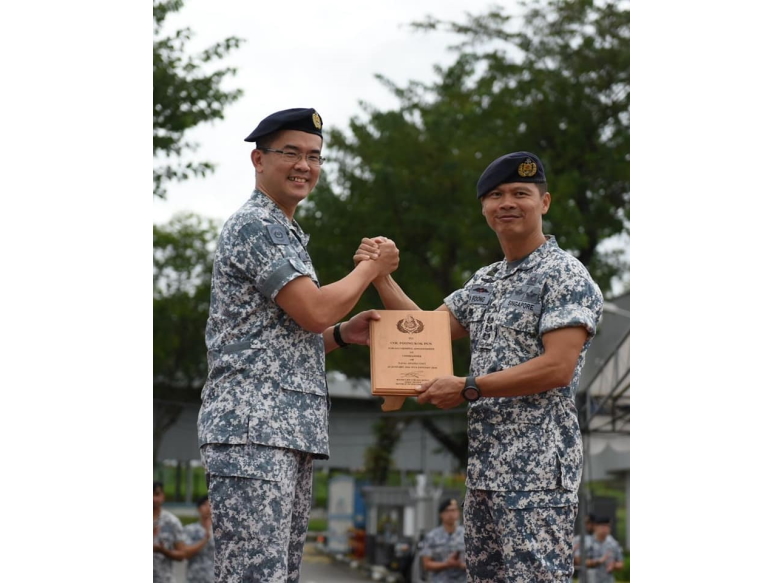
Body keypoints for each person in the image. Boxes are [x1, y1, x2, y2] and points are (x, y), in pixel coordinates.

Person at [355, 151, 604, 582]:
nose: (506, 202)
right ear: (485, 208)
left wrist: (469, 387)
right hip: (485, 472)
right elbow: (427, 332)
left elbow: (558, 367)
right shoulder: (487, 279)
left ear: (544, 203)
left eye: (520, 193)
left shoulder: (565, 274)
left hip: (538, 474)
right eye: (495, 195)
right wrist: (380, 276)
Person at [197, 107, 399, 582]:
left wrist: (343, 335)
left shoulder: (285, 232)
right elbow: (314, 310)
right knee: (255, 575)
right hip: (253, 430)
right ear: (258, 159)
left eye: (315, 156)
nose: (304, 165)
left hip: (282, 432)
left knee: (278, 574)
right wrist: (371, 269)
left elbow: (283, 339)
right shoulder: (257, 226)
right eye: (290, 152)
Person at [420, 498, 467, 583]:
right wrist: (447, 564)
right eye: (448, 510)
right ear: (441, 514)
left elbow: (477, 562)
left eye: (454, 510)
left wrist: (460, 565)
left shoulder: (467, 535)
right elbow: (427, 564)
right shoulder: (432, 536)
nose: (451, 514)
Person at [153, 481, 185, 583]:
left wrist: (164, 551)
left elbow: (181, 554)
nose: (153, 499)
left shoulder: (172, 522)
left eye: (157, 494)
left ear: (163, 496)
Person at [575, 516, 624, 583]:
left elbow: (621, 564)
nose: (605, 529)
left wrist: (613, 565)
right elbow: (578, 561)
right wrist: (598, 561)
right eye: (603, 526)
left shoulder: (613, 543)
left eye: (608, 526)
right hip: (588, 580)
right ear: (595, 527)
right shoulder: (586, 542)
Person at [182, 495, 215, 583]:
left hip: (215, 577)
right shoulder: (190, 529)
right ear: (198, 508)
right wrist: (205, 540)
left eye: (210, 505)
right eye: (204, 505)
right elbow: (185, 553)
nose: (208, 508)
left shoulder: (219, 531)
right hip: (195, 577)